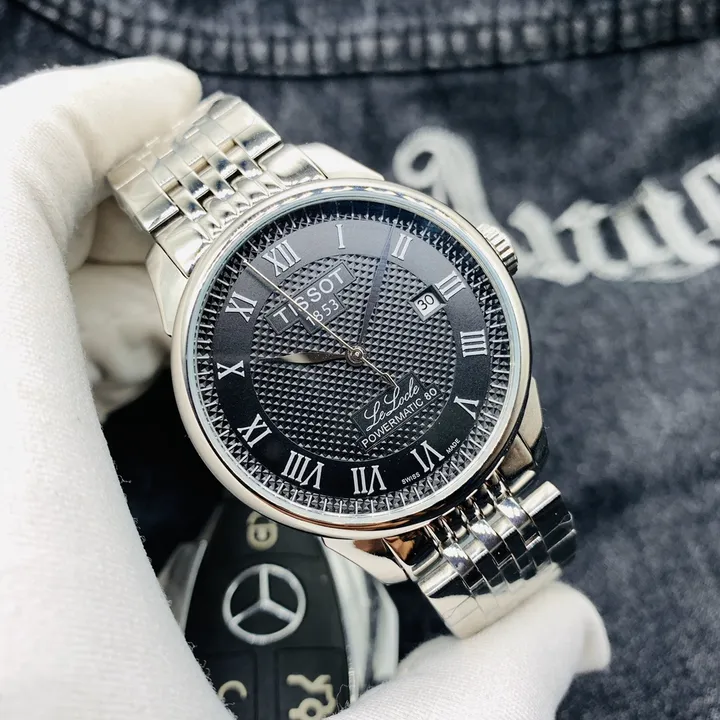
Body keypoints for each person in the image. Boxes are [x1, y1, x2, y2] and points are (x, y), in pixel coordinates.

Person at [0, 58, 609, 720]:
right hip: (403, 490)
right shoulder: (207, 335)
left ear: (487, 256)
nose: (352, 355)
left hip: (482, 447)